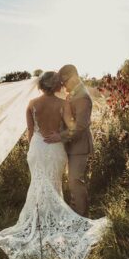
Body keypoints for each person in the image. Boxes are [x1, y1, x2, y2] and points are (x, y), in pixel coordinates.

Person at [0, 71, 108, 259]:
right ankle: (53, 219)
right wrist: (60, 134)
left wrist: (34, 148)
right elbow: (71, 127)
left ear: (41, 85)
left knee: (37, 184)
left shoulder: (31, 104)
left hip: (37, 148)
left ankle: (39, 219)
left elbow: (30, 131)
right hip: (54, 148)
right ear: (56, 86)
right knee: (53, 184)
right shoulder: (63, 104)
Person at [43, 64, 93, 217]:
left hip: (80, 147)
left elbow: (80, 126)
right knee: (72, 182)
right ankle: (75, 213)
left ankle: (82, 216)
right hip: (71, 145)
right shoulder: (73, 94)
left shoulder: (82, 97)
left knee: (75, 180)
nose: (63, 86)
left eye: (65, 81)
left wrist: (59, 136)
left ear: (74, 77)